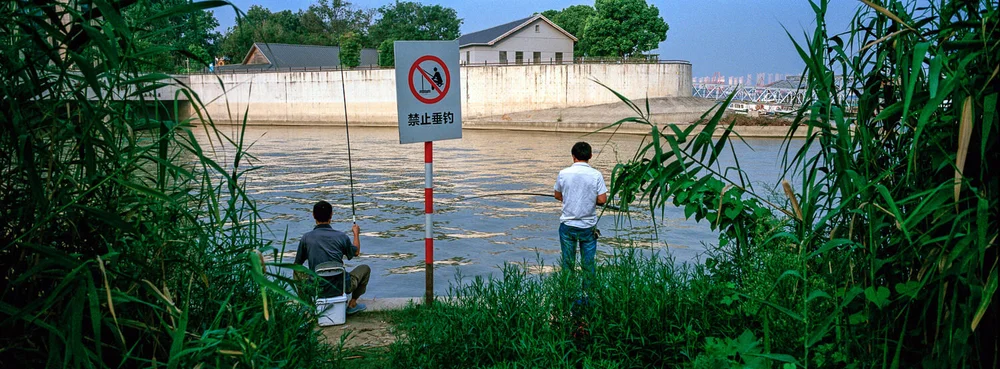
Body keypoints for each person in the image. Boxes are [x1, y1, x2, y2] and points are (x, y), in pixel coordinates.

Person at [295, 200, 370, 315]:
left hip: (316, 287)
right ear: (331, 215)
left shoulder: (306, 238)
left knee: (296, 272)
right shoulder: (341, 236)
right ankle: (352, 303)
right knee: (365, 269)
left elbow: (297, 265)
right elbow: (355, 252)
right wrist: (356, 233)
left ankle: (308, 305)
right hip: (341, 286)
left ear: (313, 215)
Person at [554, 142, 608, 276]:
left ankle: (568, 294)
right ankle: (587, 295)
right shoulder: (596, 175)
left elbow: (557, 195)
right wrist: (589, 199)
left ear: (573, 156)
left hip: (568, 225)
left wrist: (571, 198)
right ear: (590, 156)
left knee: (567, 264)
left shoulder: (563, 173)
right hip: (588, 226)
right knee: (588, 265)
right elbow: (602, 200)